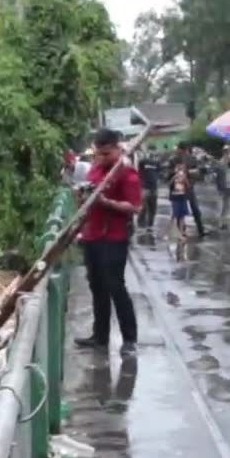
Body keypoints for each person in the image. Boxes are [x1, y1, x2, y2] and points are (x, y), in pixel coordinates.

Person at [75, 128, 141, 356]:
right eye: (98, 153)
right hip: (91, 235)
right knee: (97, 287)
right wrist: (82, 197)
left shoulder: (127, 173)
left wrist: (106, 202)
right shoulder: (95, 169)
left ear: (117, 149)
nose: (101, 158)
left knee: (116, 287)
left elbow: (134, 207)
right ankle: (100, 336)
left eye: (106, 154)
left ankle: (129, 339)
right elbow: (86, 198)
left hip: (114, 238)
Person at [169, 143, 207, 237]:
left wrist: (188, 172)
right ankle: (182, 231)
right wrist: (176, 173)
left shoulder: (191, 159)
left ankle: (200, 230)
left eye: (182, 150)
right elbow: (169, 173)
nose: (181, 152)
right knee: (180, 211)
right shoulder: (174, 159)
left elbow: (198, 172)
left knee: (194, 210)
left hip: (188, 187)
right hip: (179, 187)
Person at [136, 151, 161, 230]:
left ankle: (150, 224)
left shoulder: (157, 163)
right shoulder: (143, 162)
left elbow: (159, 173)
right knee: (143, 206)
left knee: (153, 207)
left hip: (154, 187)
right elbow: (139, 172)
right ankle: (141, 223)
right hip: (145, 187)